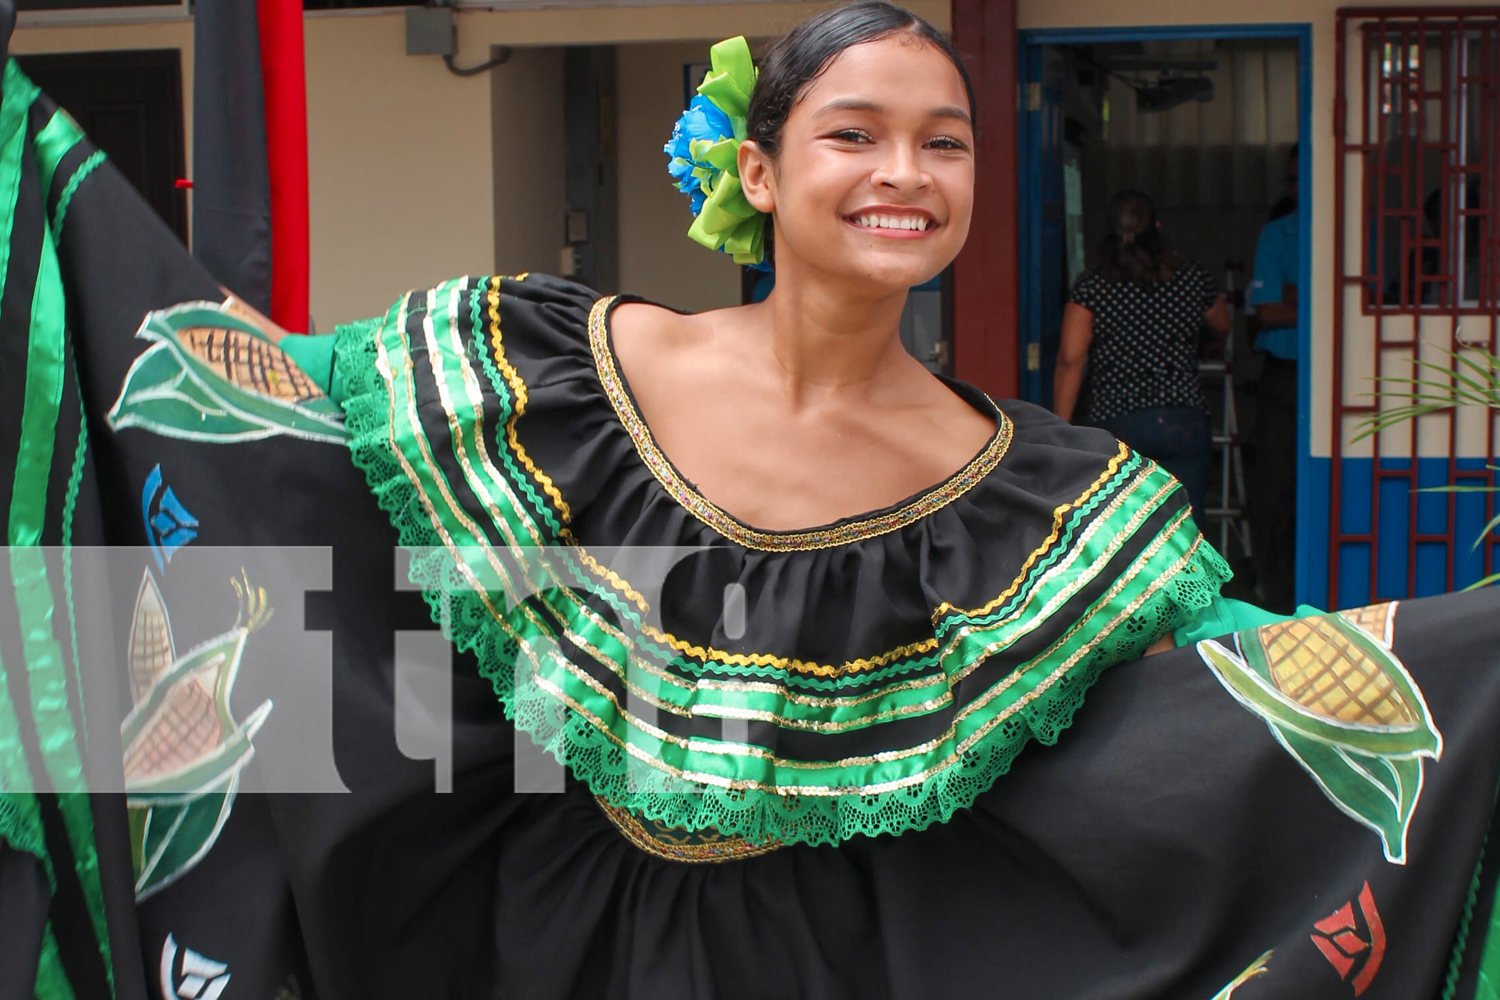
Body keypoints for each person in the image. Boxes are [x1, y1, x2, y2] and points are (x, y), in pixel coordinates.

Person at [5, 5, 1500, 999]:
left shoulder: (1050, 498)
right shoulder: (544, 374)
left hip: (842, 962)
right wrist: (54, 211)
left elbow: (1250, 675)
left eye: (945, 140)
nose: (903, 172)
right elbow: (263, 408)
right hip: (513, 944)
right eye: (854, 132)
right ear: (760, 169)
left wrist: (1468, 656)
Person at [1052, 190, 1230, 527]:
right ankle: (1188, 580)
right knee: (1184, 528)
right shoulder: (1192, 277)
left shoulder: (1092, 285)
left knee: (1119, 531)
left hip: (1117, 421)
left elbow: (1071, 359)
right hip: (1182, 419)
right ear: (1159, 228)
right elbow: (1222, 323)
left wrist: (1061, 430)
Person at [1249, 144, 1301, 613]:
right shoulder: (1277, 234)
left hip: (1342, 379)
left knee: (1326, 493)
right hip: (1285, 379)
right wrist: (1313, 301)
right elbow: (1269, 311)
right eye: (1290, 180)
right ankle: (1277, 600)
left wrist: (1296, 299)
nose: (1296, 189)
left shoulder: (1355, 232)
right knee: (1275, 495)